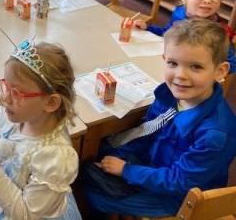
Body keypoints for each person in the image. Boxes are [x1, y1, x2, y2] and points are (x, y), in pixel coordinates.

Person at [83, 19, 236, 218]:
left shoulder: (214, 134)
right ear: (164, 59)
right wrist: (119, 154)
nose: (180, 75)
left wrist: (127, 171)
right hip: (156, 165)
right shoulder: (170, 95)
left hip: (175, 197)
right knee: (94, 158)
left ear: (220, 71)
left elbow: (180, 181)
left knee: (92, 195)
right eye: (173, 63)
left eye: (196, 67)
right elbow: (148, 132)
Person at [0, 40, 82, 219]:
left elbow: (26, 214)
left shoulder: (55, 157)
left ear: (50, 102)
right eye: (6, 86)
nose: (5, 98)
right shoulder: (16, 116)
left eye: (17, 93)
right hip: (8, 197)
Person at [133, 0, 236, 72]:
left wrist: (208, 69)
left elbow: (233, 64)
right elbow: (167, 32)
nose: (207, 0)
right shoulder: (179, 14)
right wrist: (147, 28)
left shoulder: (219, 31)